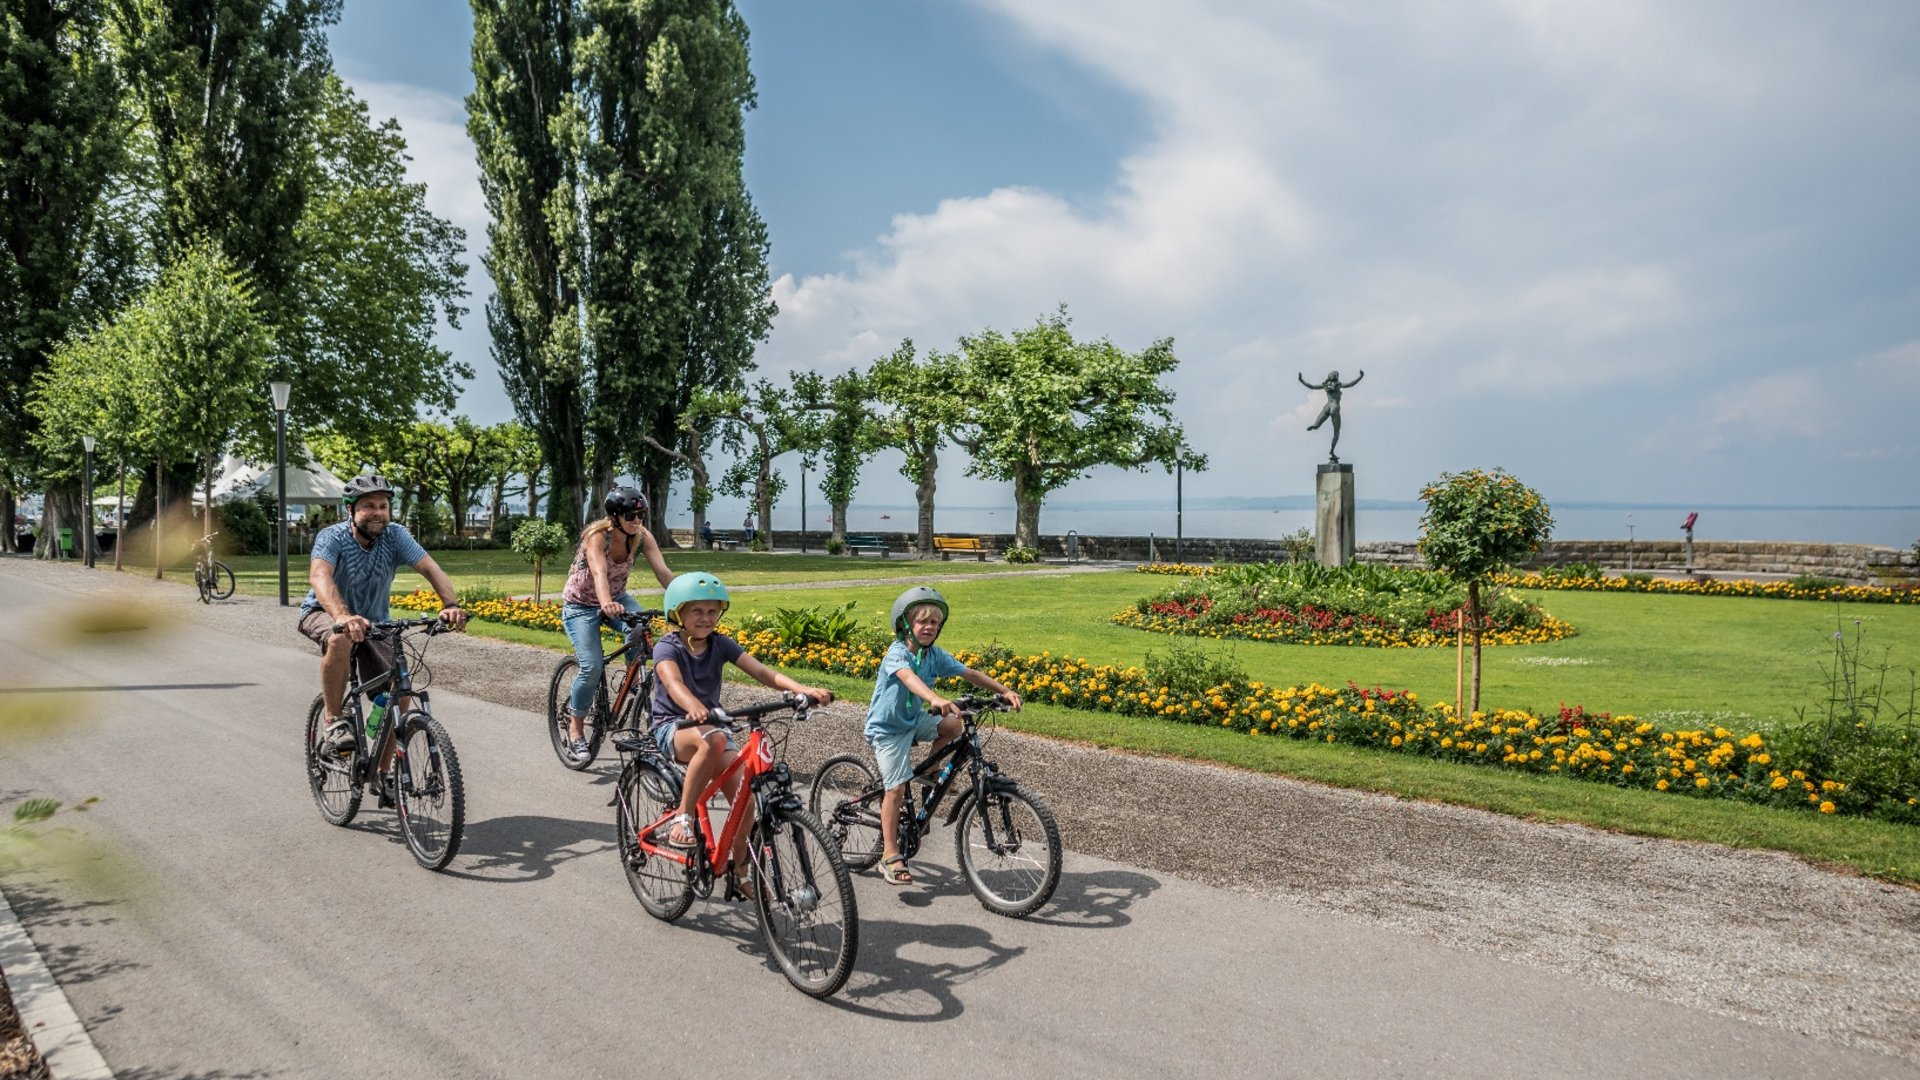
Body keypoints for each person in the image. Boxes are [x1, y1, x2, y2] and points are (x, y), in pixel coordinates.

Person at [650, 572, 833, 895]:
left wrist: (802, 690)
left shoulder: (719, 644)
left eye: (712, 611)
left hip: (712, 725)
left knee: (745, 797)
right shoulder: (668, 646)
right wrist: (693, 706)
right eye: (697, 611)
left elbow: (763, 671)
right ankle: (682, 817)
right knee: (716, 739)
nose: (706, 618)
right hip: (674, 727)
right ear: (678, 613)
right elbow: (673, 683)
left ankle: (739, 871)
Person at [299, 473, 468, 767]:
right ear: (350, 510)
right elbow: (319, 576)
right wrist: (342, 615)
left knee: (400, 694)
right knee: (340, 637)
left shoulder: (396, 535)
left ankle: (384, 773)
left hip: (376, 622)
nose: (378, 513)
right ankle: (333, 720)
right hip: (325, 613)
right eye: (368, 506)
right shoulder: (332, 537)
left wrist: (450, 604)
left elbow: (430, 569)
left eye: (383, 506)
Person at [865, 586, 1022, 885]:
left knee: (954, 723)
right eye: (922, 621)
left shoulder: (933, 655)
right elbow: (908, 679)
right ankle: (889, 853)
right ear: (906, 625)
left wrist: (1004, 691)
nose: (929, 627)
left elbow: (970, 673)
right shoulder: (897, 653)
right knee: (895, 790)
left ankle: (930, 772)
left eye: (934, 623)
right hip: (888, 729)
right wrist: (934, 698)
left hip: (913, 721)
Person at [559, 485, 675, 757]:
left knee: (641, 627)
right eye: (630, 516)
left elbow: (663, 572)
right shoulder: (598, 536)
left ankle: (634, 680)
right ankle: (575, 727)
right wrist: (605, 604)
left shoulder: (641, 536)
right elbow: (599, 573)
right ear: (615, 517)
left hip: (618, 597)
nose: (636, 521)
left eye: (640, 516)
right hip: (581, 605)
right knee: (592, 666)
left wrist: (685, 602)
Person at [1297, 369, 1364, 462]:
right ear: (1336, 377)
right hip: (1334, 408)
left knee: (1316, 426)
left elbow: (1312, 386)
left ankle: (1315, 425)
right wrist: (1361, 377)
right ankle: (1332, 450)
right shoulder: (1339, 385)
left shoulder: (1326, 385)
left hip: (1327, 407)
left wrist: (1301, 380)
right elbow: (1351, 384)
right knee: (1336, 432)